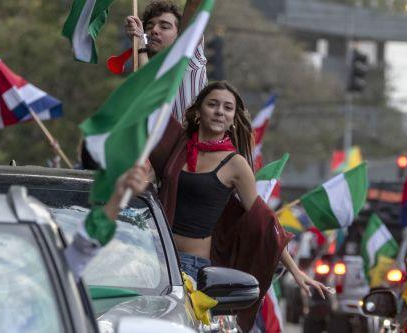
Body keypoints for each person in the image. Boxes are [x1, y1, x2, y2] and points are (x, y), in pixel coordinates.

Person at [149, 81, 331, 330]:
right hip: (153, 260)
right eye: (212, 104)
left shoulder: (235, 164)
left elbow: (264, 222)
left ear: (233, 118)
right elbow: (151, 103)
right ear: (197, 111)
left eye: (227, 107)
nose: (219, 111)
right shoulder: (179, 146)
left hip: (191, 270)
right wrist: (146, 47)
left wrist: (296, 270)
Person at [125, 0, 206, 122]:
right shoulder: (140, 65)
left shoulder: (188, 58)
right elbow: (148, 96)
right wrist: (139, 43)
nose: (154, 30)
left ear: (179, 34)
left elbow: (194, 4)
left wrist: (141, 47)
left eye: (164, 26)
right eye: (149, 27)